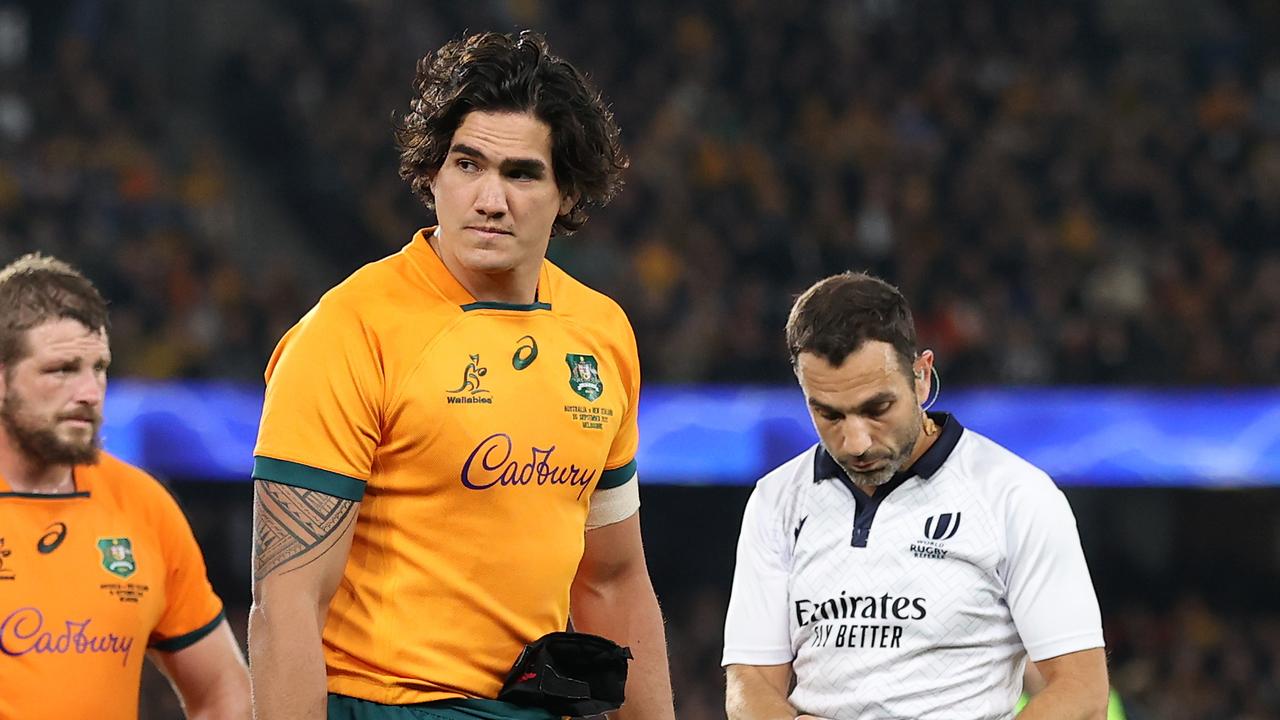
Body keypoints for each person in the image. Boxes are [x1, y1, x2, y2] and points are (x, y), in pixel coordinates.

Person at [249, 30, 675, 720]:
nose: (488, 198)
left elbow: (615, 579)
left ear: (567, 191)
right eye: (467, 164)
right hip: (385, 707)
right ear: (431, 175)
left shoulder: (602, 333)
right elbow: (286, 602)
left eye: (521, 173)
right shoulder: (350, 329)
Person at [722, 271, 1109, 720]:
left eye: (877, 408)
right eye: (828, 414)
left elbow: (1082, 691)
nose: (856, 442)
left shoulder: (1015, 496)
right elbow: (749, 680)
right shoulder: (776, 500)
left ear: (921, 377)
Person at [0, 253, 250, 720]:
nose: (91, 392)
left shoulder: (143, 506)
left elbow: (223, 689)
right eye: (62, 369)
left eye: (99, 367)